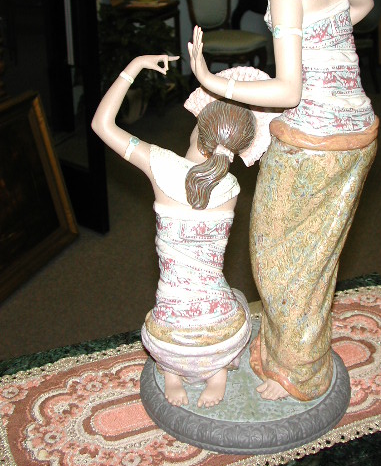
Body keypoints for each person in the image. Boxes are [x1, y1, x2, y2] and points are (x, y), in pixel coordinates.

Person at [188, 0, 379, 402]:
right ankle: (288, 356)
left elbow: (289, 90)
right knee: (312, 257)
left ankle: (300, 372)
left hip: (315, 140)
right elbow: (362, 5)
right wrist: (326, 42)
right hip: (357, 132)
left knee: (278, 260)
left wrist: (214, 81)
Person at [91, 54, 258, 408]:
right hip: (222, 333)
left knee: (170, 314)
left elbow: (101, 124)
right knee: (235, 299)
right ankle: (217, 372)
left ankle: (171, 372)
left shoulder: (160, 164)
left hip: (171, 334)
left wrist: (134, 66)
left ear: (198, 129)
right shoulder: (231, 189)